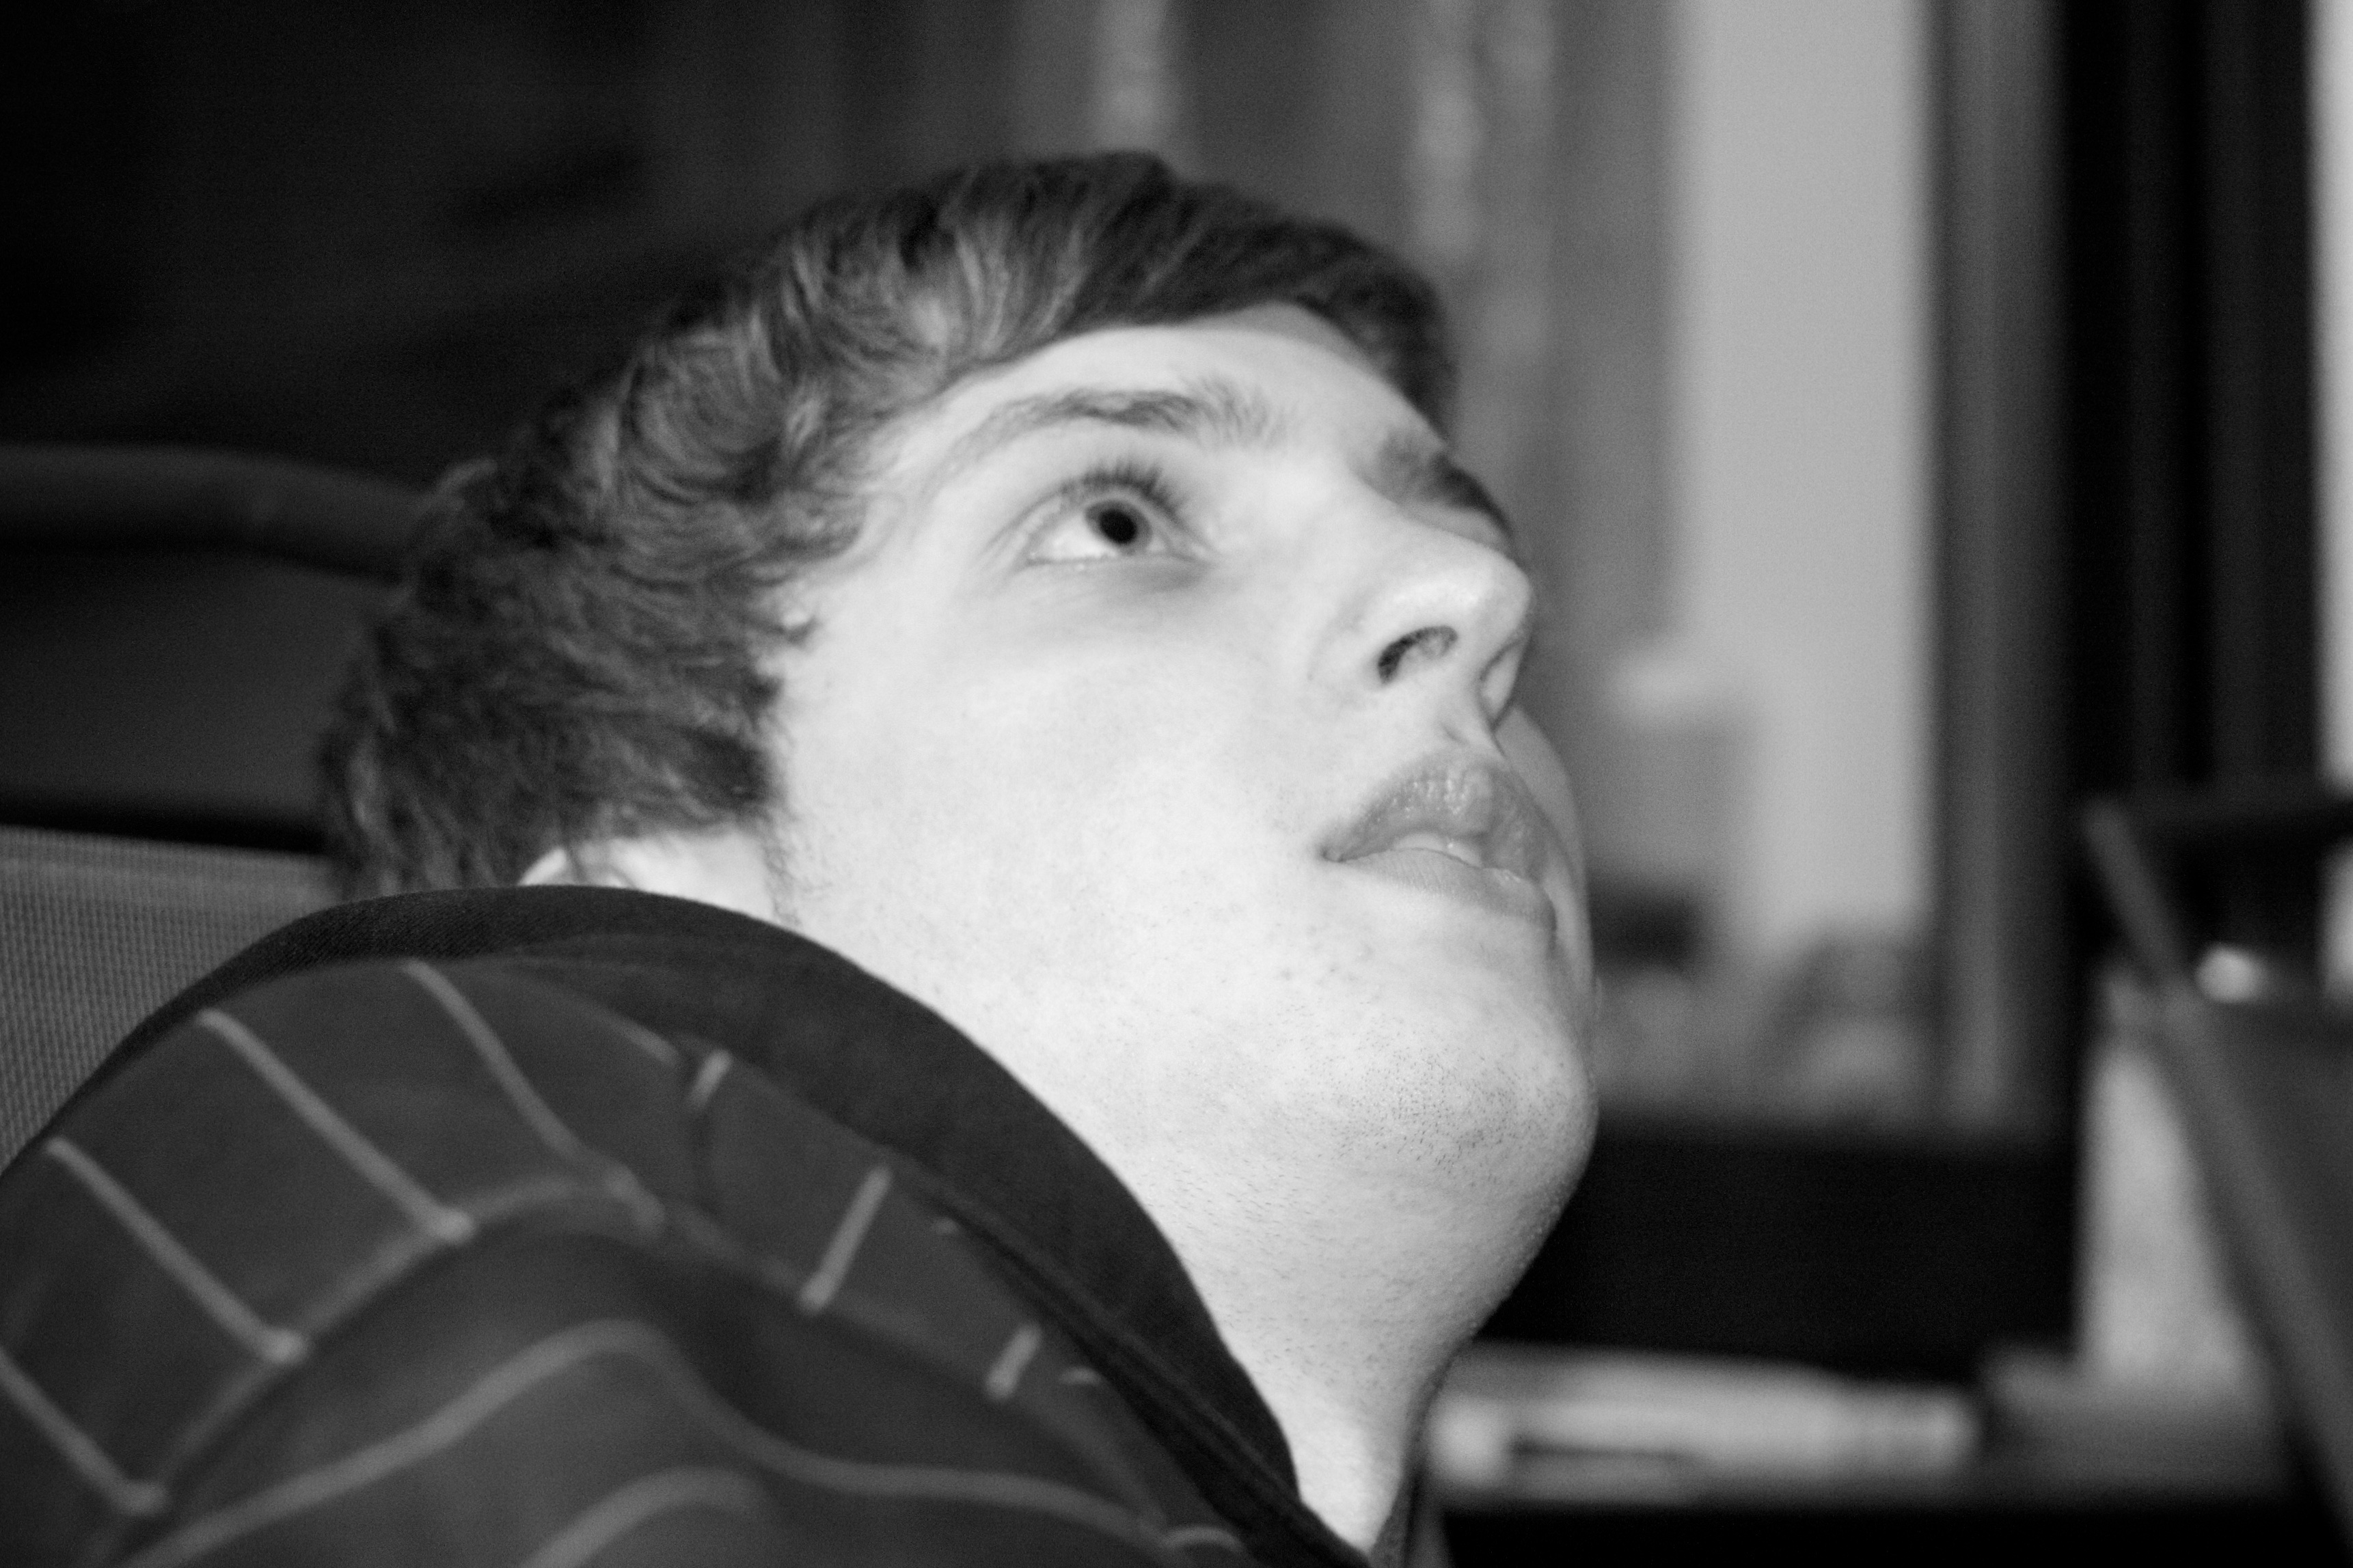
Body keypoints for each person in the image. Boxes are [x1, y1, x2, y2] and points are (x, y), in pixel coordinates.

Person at [0, 153, 1594, 1567]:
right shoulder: (442, 1213)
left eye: (1467, 532)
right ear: (645, 873)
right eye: (1118, 520)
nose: (1476, 595)